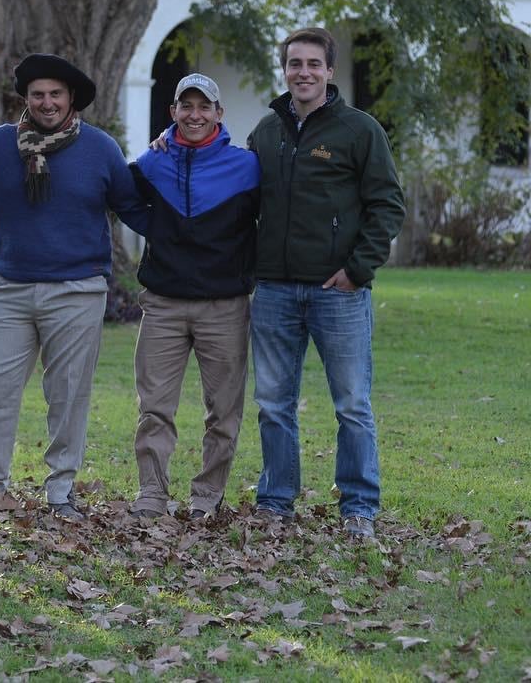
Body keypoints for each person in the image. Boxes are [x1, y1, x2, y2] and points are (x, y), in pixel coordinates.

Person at [0, 54, 147, 521]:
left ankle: (61, 490)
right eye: (38, 94)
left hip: (78, 289)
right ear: (25, 99)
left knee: (68, 394)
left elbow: (136, 208)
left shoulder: (100, 149)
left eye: (56, 95)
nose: (47, 103)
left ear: (70, 101)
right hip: (7, 287)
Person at [247, 27, 404, 539]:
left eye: (314, 64)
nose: (304, 72)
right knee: (273, 404)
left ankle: (358, 507)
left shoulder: (360, 131)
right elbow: (243, 203)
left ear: (330, 71)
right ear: (285, 70)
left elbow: (387, 205)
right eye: (295, 63)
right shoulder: (266, 133)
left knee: (352, 405)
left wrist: (358, 270)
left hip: (338, 293)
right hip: (272, 291)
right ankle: (275, 502)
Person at [126, 72, 259, 521]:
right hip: (162, 304)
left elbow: (271, 219)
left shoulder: (246, 166)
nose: (195, 115)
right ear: (174, 112)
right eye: (187, 106)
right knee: (154, 408)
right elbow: (124, 199)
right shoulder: (153, 161)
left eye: (205, 107)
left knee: (223, 412)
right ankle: (151, 494)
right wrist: (158, 230)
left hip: (224, 306)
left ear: (219, 114)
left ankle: (207, 496)